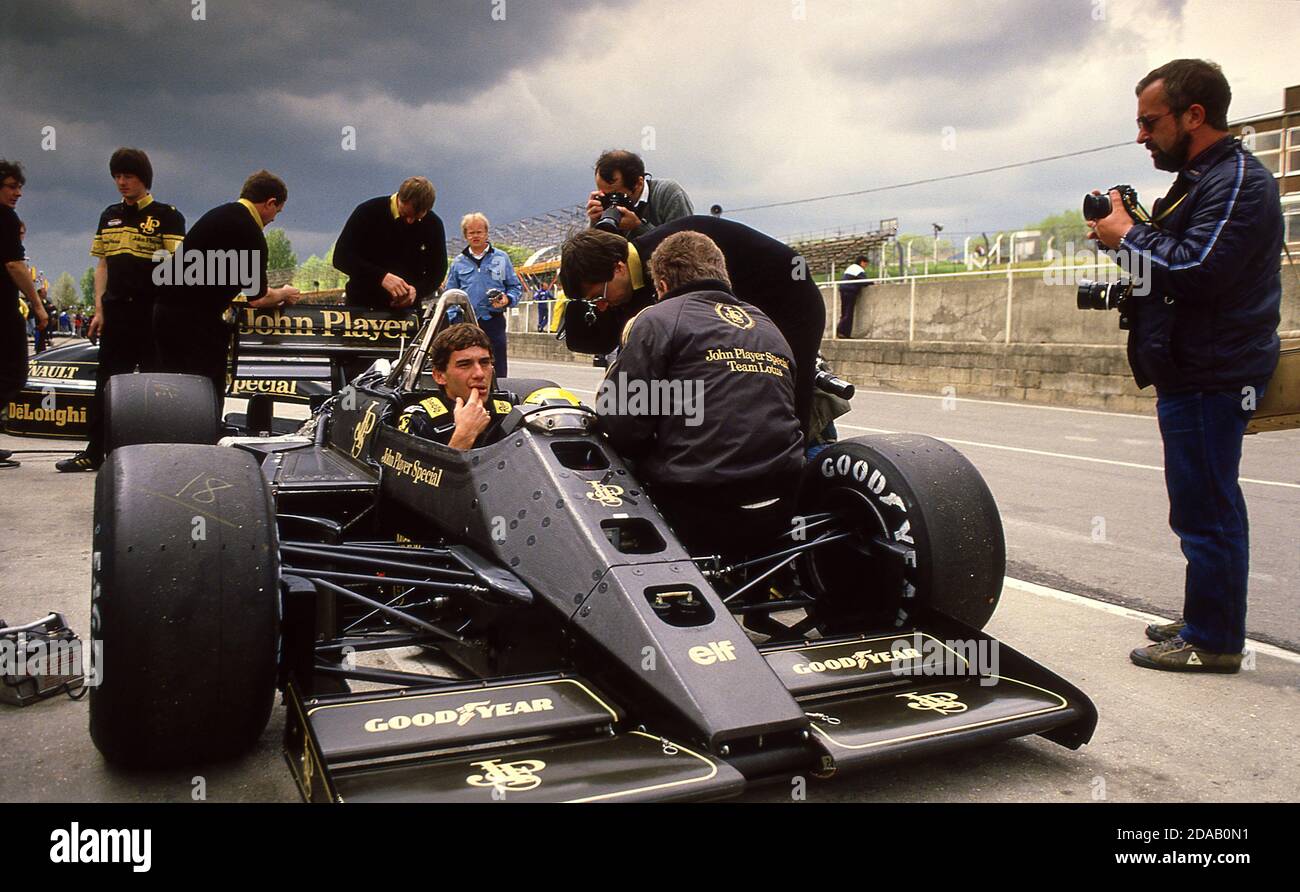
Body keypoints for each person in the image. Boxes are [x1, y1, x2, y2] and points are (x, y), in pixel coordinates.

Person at [1089, 59, 1283, 674]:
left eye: (1150, 122)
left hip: (1214, 371)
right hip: (1193, 368)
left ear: (1193, 115)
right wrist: (1130, 234)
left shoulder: (1238, 180)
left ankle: (1215, 639)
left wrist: (1128, 236)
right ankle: (1209, 619)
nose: (1142, 136)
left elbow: (1198, 270)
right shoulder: (1202, 179)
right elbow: (1173, 265)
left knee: (1207, 507)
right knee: (1201, 504)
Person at [596, 231, 803, 559]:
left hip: (701, 510)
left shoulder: (656, 319)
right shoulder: (766, 324)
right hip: (781, 502)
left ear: (661, 286)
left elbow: (622, 427)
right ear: (723, 274)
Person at [559, 216, 825, 434]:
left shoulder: (668, 259)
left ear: (618, 268)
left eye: (599, 297)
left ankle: (797, 472)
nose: (601, 306)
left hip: (791, 300)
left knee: (790, 398)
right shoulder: (632, 281)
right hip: (738, 302)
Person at [59, 148, 185, 472]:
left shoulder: (167, 215)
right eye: (116, 176)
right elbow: (102, 264)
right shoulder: (109, 215)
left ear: (144, 178)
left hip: (151, 315)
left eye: (128, 175)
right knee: (108, 384)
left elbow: (177, 267)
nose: (121, 182)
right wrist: (99, 309)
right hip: (116, 314)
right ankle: (93, 450)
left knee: (157, 384)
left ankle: (161, 454)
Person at [153, 170, 302, 409]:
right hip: (195, 322)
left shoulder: (218, 214)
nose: (274, 218)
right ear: (270, 202)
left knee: (173, 392)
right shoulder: (251, 233)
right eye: (277, 211)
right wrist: (285, 292)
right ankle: (202, 442)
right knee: (205, 393)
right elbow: (258, 297)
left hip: (165, 313)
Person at [333, 176, 447, 314]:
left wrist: (417, 291)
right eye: (405, 215)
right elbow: (341, 257)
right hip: (361, 308)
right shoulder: (368, 212)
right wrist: (382, 277)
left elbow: (438, 271)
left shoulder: (433, 224)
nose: (410, 222)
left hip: (407, 312)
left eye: (418, 218)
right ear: (400, 198)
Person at [396, 323, 517, 450]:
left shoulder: (510, 412)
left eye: (485, 362)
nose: (479, 374)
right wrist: (464, 435)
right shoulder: (420, 420)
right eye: (464, 364)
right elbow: (415, 469)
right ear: (439, 376)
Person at [1, 160, 49, 469]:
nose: (18, 193)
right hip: (2, 311)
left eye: (20, 187)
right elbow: (15, 265)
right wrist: (37, 304)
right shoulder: (5, 218)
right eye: (11, 186)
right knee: (13, 372)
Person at [444, 213, 521, 378]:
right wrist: (451, 323)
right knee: (464, 366)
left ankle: (499, 399)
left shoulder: (502, 258)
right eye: (471, 232)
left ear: (486, 233)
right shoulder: (458, 263)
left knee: (497, 366)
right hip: (464, 324)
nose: (475, 236)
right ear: (465, 235)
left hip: (493, 322)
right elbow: (450, 295)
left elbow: (515, 287)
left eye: (479, 232)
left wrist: (508, 299)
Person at [584, 149, 694, 240]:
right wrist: (595, 224)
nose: (611, 202)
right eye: (604, 195)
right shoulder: (605, 207)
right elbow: (595, 257)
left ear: (639, 183)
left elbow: (684, 247)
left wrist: (638, 227)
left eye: (615, 195)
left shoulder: (668, 194)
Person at [836, 254, 871, 339]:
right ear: (862, 262)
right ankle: (841, 332)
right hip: (850, 291)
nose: (865, 267)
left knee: (844, 312)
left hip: (844, 289)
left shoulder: (851, 268)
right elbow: (865, 281)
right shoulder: (858, 269)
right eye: (865, 264)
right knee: (848, 313)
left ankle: (843, 333)